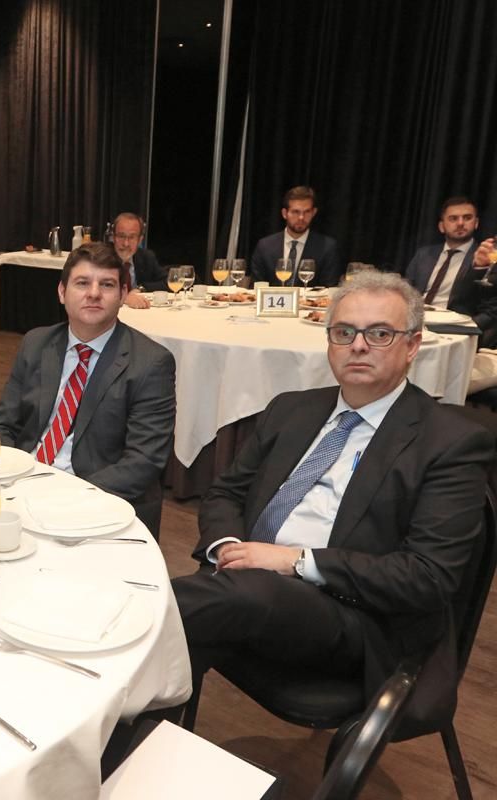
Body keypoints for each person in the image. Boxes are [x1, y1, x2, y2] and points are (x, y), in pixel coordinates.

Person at [172, 270, 493, 729]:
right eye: (344, 332)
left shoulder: (451, 442)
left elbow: (428, 576)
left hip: (355, 616)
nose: (358, 346)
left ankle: (104, 618)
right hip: (246, 587)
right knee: (165, 661)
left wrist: (294, 561)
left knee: (226, 599)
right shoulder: (292, 408)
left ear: (412, 345)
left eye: (380, 333)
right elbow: (227, 492)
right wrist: (226, 547)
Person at [0, 241, 176, 535]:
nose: (93, 293)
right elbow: (4, 423)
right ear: (62, 293)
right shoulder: (37, 343)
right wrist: (10, 477)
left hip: (98, 501)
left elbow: (143, 460)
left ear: (123, 295)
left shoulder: (151, 363)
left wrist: (65, 494)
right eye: (82, 283)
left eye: (106, 285)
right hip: (23, 486)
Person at [403, 197, 497, 347]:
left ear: (476, 223)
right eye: (453, 218)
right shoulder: (424, 254)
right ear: (442, 226)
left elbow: (492, 308)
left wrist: (465, 330)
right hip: (415, 323)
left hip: (454, 333)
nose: (460, 223)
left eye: (467, 218)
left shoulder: (487, 257)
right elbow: (405, 290)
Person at [249, 186, 342, 287]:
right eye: (295, 212)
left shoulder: (327, 247)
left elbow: (329, 289)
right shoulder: (265, 246)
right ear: (285, 214)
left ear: (314, 213)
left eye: (307, 212)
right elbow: (256, 287)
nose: (301, 217)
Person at [109, 213, 167, 310]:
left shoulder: (146, 257)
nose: (126, 243)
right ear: (113, 237)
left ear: (140, 240)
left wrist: (140, 288)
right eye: (121, 236)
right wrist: (124, 298)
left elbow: (167, 282)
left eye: (132, 237)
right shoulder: (103, 258)